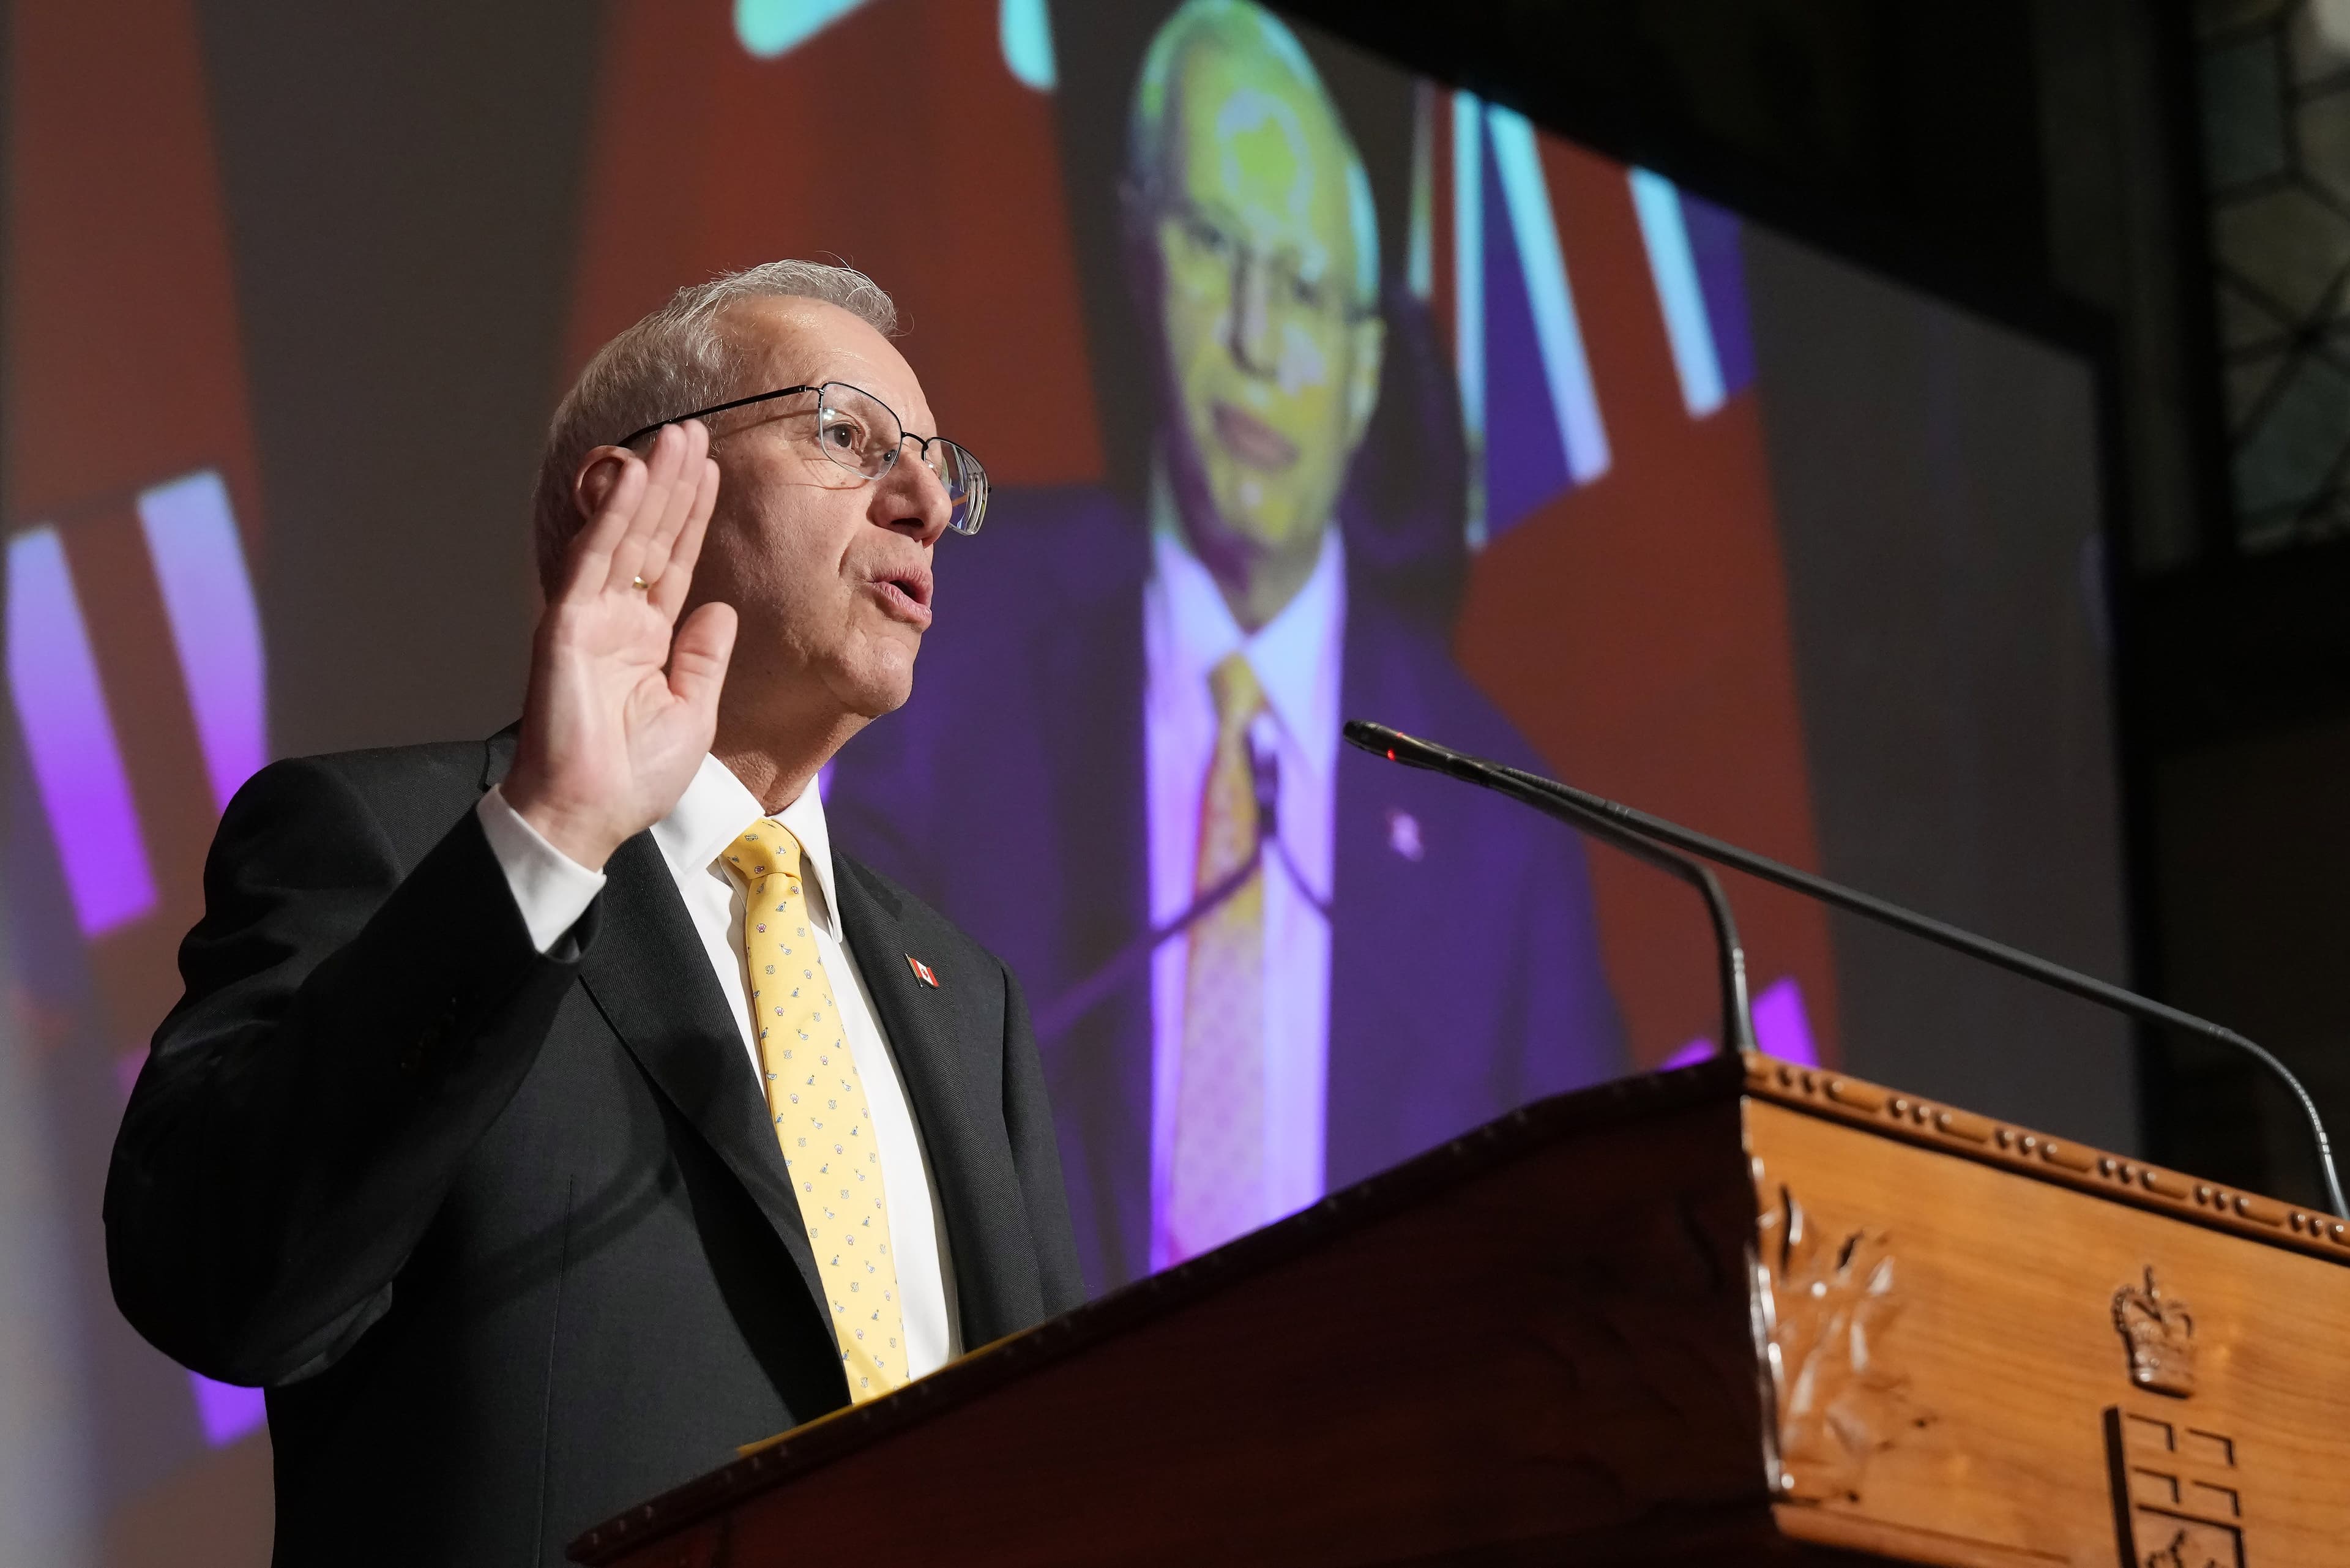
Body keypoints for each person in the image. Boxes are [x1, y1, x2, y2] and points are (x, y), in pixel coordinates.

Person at [104, 261, 1083, 1566]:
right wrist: (552, 833)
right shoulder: (392, 847)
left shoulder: (965, 998)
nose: (923, 505)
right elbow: (219, 1284)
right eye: (847, 438)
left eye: (939, 471)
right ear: (626, 492)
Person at [828, 0, 1624, 1294]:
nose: (1259, 343)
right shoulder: (943, 641)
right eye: (1215, 248)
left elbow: (1580, 1272)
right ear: (1140, 257)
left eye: (1308, 291)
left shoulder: (1502, 832)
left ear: (1368, 368)